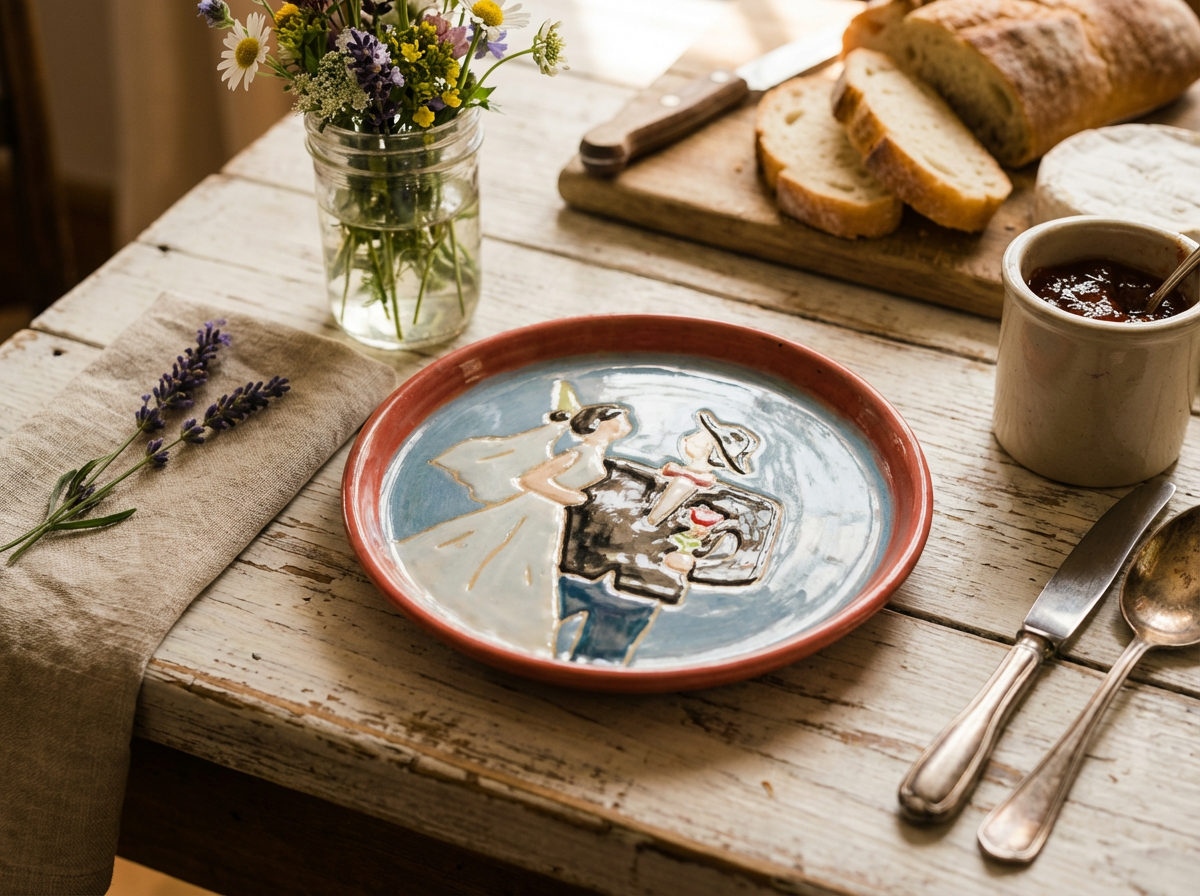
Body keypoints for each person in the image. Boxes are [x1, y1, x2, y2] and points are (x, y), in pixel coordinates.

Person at [393, 392, 632, 659]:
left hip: (550, 515)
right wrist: (575, 498)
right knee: (506, 552)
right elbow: (533, 479)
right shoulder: (578, 452)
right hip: (535, 511)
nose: (626, 422)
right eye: (621, 418)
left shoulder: (594, 453)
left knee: (521, 559)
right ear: (600, 422)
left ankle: (500, 610)